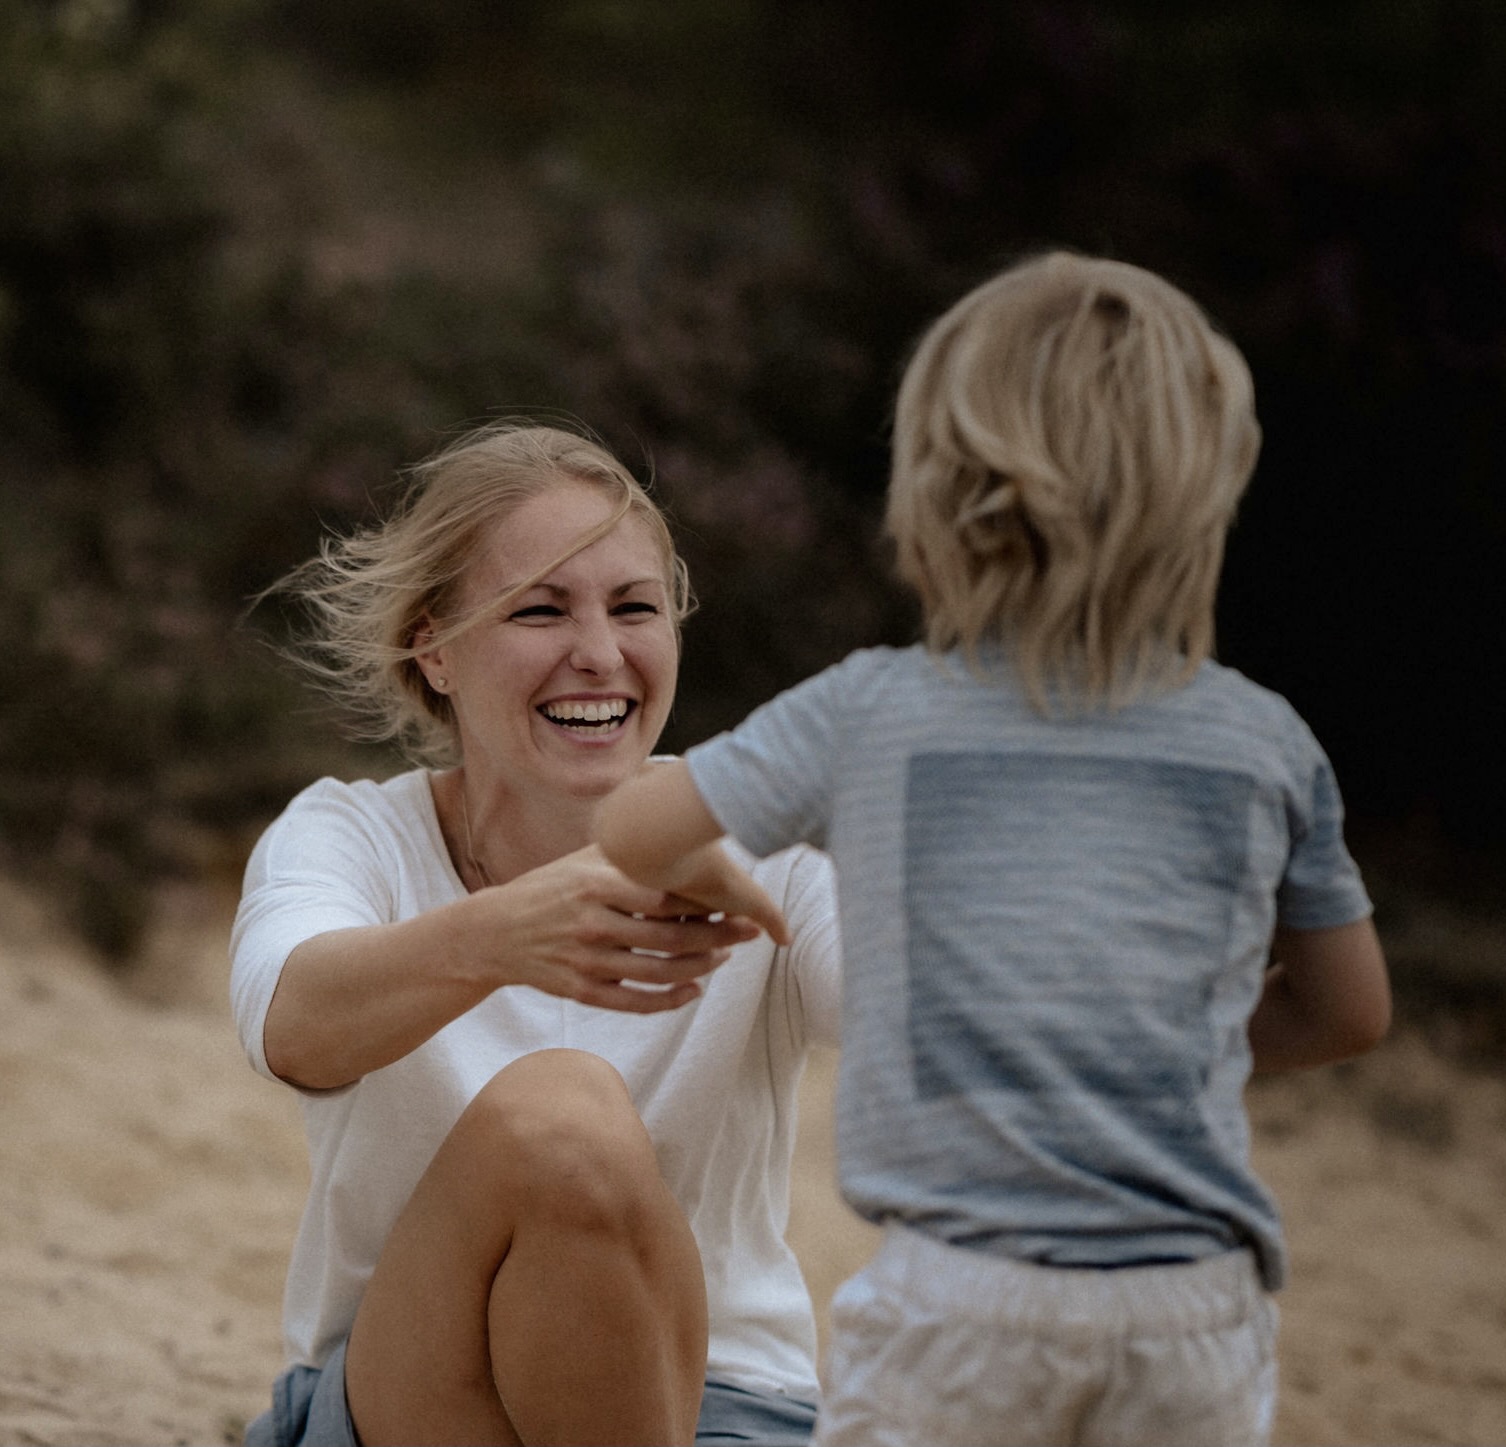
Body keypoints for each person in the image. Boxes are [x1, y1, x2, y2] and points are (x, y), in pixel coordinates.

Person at [593, 252, 1393, 1447]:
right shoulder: (1266, 742)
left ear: (936, 491)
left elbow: (630, 828)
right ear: (1208, 494)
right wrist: (1138, 1058)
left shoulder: (872, 709)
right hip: (1195, 1305)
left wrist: (711, 873)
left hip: (962, 1297)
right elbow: (1349, 1011)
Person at [230, 421, 841, 1447]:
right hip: (410, 1399)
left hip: (722, 1410)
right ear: (434, 647)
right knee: (559, 1120)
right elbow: (291, 1021)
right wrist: (508, 932)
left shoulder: (768, 841)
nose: (599, 654)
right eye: (541, 609)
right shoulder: (349, 837)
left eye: (634, 607)